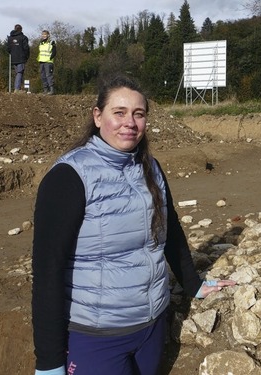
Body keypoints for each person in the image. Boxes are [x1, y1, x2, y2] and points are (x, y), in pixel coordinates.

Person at [31, 74, 236, 375]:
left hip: (151, 328)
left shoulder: (150, 167)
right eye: (120, 112)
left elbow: (171, 231)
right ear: (98, 117)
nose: (130, 122)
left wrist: (193, 285)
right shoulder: (69, 177)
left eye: (139, 114)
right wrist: (48, 362)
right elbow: (47, 269)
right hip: (96, 336)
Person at [7, 24, 30, 93]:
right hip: (21, 58)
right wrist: (26, 57)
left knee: (18, 72)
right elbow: (26, 48)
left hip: (13, 58)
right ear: (21, 29)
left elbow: (8, 49)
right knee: (20, 72)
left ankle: (19, 88)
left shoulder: (10, 38)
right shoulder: (23, 37)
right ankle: (17, 88)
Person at [37, 30, 56, 95]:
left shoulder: (51, 42)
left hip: (48, 62)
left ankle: (51, 90)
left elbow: (54, 52)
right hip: (41, 61)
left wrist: (50, 58)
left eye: (45, 34)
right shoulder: (40, 43)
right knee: (43, 76)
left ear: (48, 35)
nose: (44, 36)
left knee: (49, 75)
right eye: (43, 34)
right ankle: (45, 90)